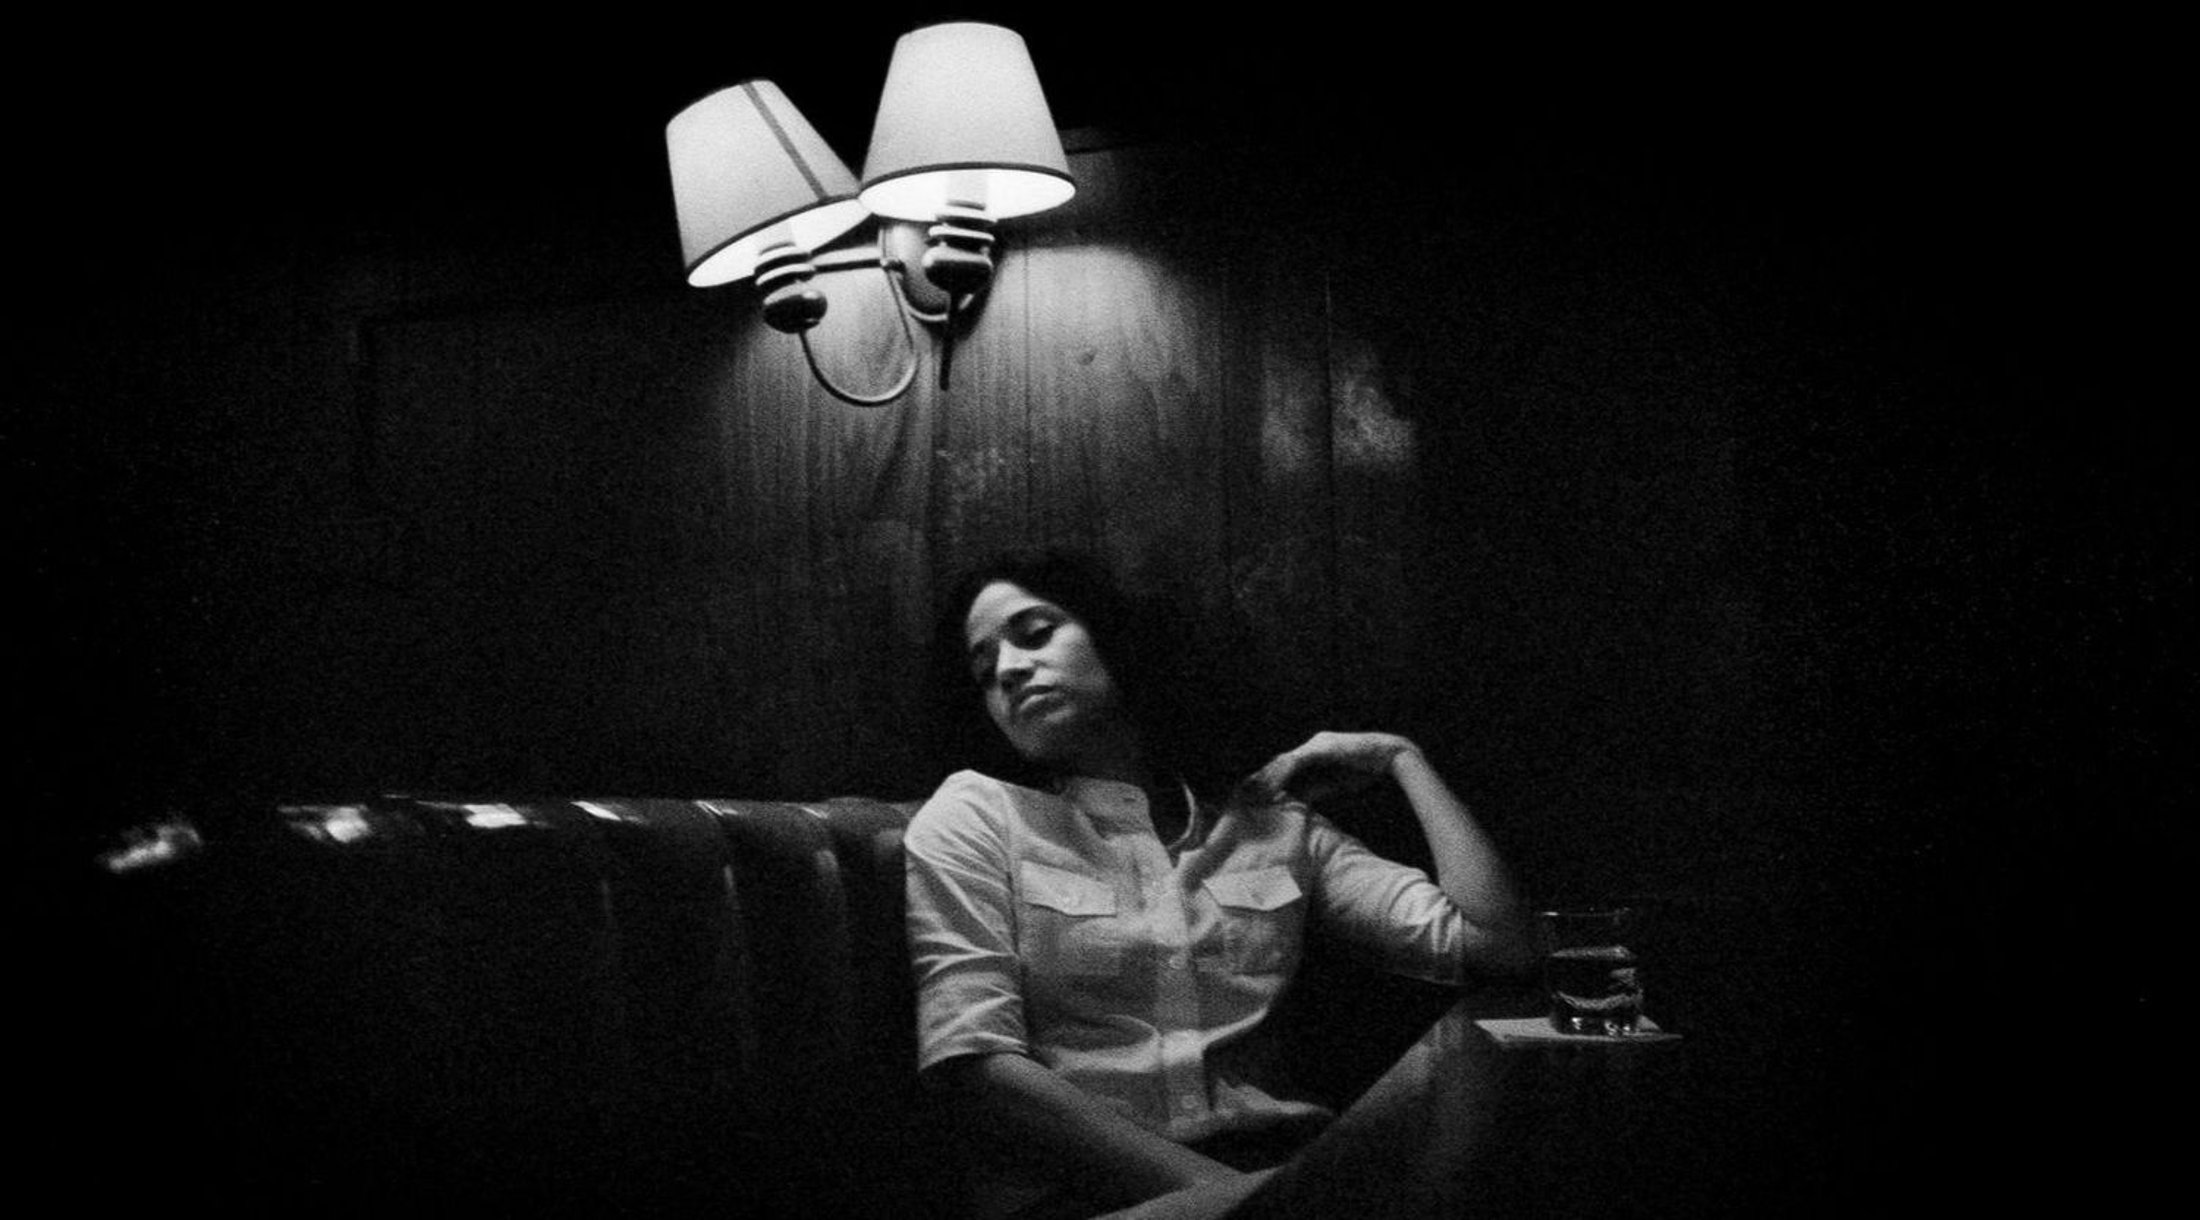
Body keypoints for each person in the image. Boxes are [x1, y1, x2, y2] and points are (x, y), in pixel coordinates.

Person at [903, 548, 1532, 1219]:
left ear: (1112, 635)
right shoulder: (977, 816)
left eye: (1034, 633)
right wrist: (1240, 1199)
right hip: (1082, 1195)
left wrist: (1401, 759)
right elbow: (976, 1064)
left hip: (1282, 1163)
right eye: (984, 670)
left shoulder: (1267, 824)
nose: (1008, 669)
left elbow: (1499, 945)